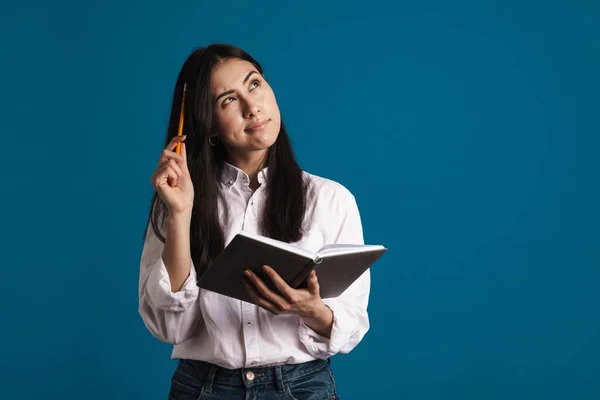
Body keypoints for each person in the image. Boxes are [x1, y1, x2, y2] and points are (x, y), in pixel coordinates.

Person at [138, 43, 370, 400]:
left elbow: (352, 322)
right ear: (209, 125)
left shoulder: (330, 199)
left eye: (254, 84)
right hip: (204, 389)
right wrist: (181, 214)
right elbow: (171, 327)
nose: (252, 107)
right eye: (228, 100)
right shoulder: (175, 202)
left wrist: (313, 310)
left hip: (301, 388)